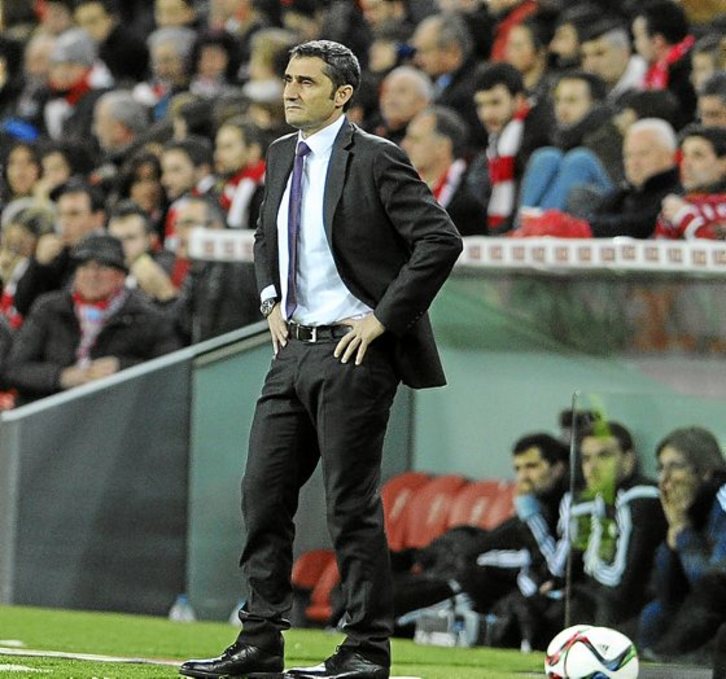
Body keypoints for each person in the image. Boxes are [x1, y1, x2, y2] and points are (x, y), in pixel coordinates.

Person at [179, 39, 462, 679]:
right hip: (292, 348)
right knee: (262, 492)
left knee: (349, 505)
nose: (290, 90)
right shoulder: (282, 153)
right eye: (288, 78)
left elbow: (440, 239)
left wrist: (383, 318)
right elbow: (266, 234)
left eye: (306, 81)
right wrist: (269, 299)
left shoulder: (377, 157)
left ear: (342, 95)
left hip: (351, 350)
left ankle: (366, 649)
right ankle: (260, 640)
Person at [392, 433, 570, 647]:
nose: (523, 477)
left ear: (558, 467)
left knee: (391, 609)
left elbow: (552, 566)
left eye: (532, 466)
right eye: (518, 469)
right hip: (462, 575)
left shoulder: (559, 509)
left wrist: (529, 513)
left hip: (475, 590)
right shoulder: (531, 510)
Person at [3, 232, 180, 404]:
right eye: (84, 267)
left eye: (103, 267)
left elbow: (172, 371)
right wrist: (61, 377)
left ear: (121, 275)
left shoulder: (146, 317)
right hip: (46, 413)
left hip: (115, 411)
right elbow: (13, 369)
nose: (92, 275)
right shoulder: (49, 308)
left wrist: (122, 368)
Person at [638, 427, 726, 660]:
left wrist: (683, 531)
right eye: (661, 468)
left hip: (717, 615)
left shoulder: (723, 500)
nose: (664, 479)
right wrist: (675, 532)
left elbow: (715, 586)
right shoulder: (691, 505)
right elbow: (665, 592)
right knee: (654, 613)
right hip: (700, 611)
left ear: (706, 471)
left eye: (675, 466)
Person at [468, 62, 553, 233]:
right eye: (481, 105)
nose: (486, 114)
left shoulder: (542, 132)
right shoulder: (494, 145)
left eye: (495, 103)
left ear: (518, 100)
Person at [168, 195, 261, 343]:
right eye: (177, 225)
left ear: (215, 227)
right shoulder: (198, 271)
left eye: (188, 223)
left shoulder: (237, 269)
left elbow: (231, 337)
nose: (179, 232)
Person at [14, 179, 106, 315]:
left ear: (98, 219)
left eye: (74, 214)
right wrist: (38, 265)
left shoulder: (109, 259)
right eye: (60, 214)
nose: (65, 222)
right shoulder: (57, 255)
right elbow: (23, 307)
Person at [402, 106, 486, 236]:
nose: (404, 145)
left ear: (442, 147)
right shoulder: (402, 188)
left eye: (415, 139)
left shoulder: (471, 192)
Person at [632, 0, 697, 129]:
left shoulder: (685, 77)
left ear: (658, 42)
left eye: (638, 37)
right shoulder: (659, 70)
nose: (635, 45)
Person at [654, 125, 726, 240]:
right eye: (684, 156)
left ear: (723, 163)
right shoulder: (677, 205)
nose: (686, 164)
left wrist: (686, 219)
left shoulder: (681, 211)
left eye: (697, 156)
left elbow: (719, 248)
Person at [214, 115, 267, 229]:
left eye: (228, 147)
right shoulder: (224, 188)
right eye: (218, 147)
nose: (218, 155)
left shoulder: (266, 190)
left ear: (253, 151)